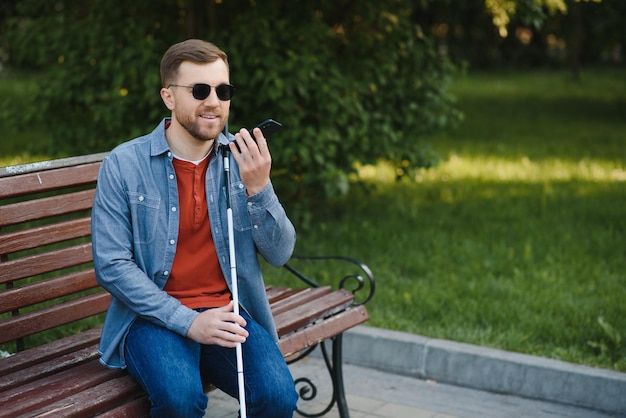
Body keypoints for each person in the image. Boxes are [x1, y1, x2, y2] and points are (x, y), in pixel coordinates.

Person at [91, 39, 298, 418]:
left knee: (278, 397)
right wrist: (190, 322)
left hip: (227, 310)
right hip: (153, 316)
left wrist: (260, 188)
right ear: (168, 97)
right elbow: (111, 264)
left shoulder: (241, 159)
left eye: (223, 90)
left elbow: (281, 252)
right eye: (199, 90)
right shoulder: (124, 164)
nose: (214, 102)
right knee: (181, 400)